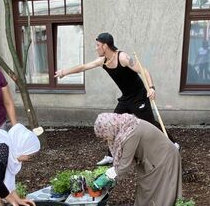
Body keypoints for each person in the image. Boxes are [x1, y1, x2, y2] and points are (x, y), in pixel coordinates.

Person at [55, 32, 160, 165]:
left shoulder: (122, 57)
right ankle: (111, 155)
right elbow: (83, 67)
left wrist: (151, 88)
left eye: (97, 45)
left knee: (151, 124)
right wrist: (65, 72)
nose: (96, 48)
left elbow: (144, 71)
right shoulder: (103, 61)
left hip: (139, 97)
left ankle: (172, 144)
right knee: (113, 124)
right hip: (126, 98)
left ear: (105, 46)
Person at [92, 113, 182, 206]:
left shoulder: (130, 134)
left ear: (110, 127)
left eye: (105, 136)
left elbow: (124, 165)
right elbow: (123, 162)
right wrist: (113, 176)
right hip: (151, 158)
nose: (104, 140)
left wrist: (107, 176)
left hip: (164, 158)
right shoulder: (125, 126)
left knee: (160, 192)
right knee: (147, 188)